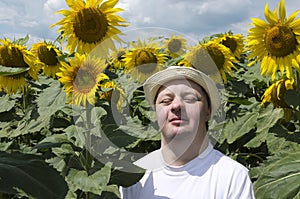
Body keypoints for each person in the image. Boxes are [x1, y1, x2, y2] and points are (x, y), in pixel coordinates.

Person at [120, 66, 255, 199]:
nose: (176, 106)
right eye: (166, 101)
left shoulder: (233, 177)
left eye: (190, 99)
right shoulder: (134, 175)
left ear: (208, 111)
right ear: (155, 113)